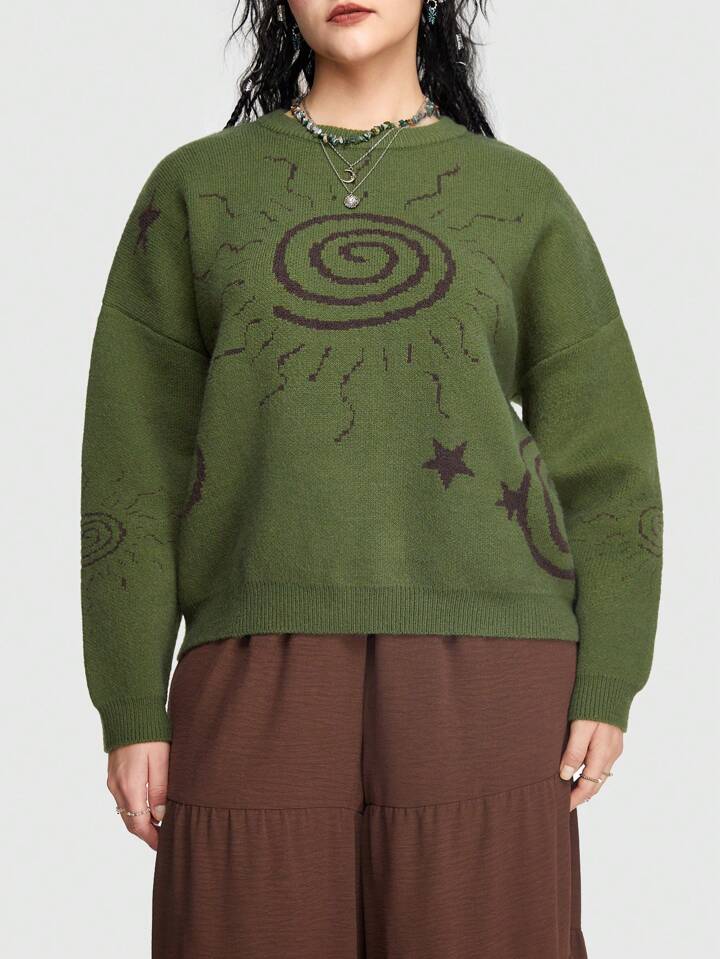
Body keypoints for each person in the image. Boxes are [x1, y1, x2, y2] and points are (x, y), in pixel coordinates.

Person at [79, 2, 663, 956]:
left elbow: (608, 461)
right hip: (252, 657)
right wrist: (131, 699)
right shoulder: (195, 189)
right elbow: (131, 463)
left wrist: (611, 674)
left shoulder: (521, 196)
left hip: (489, 662)